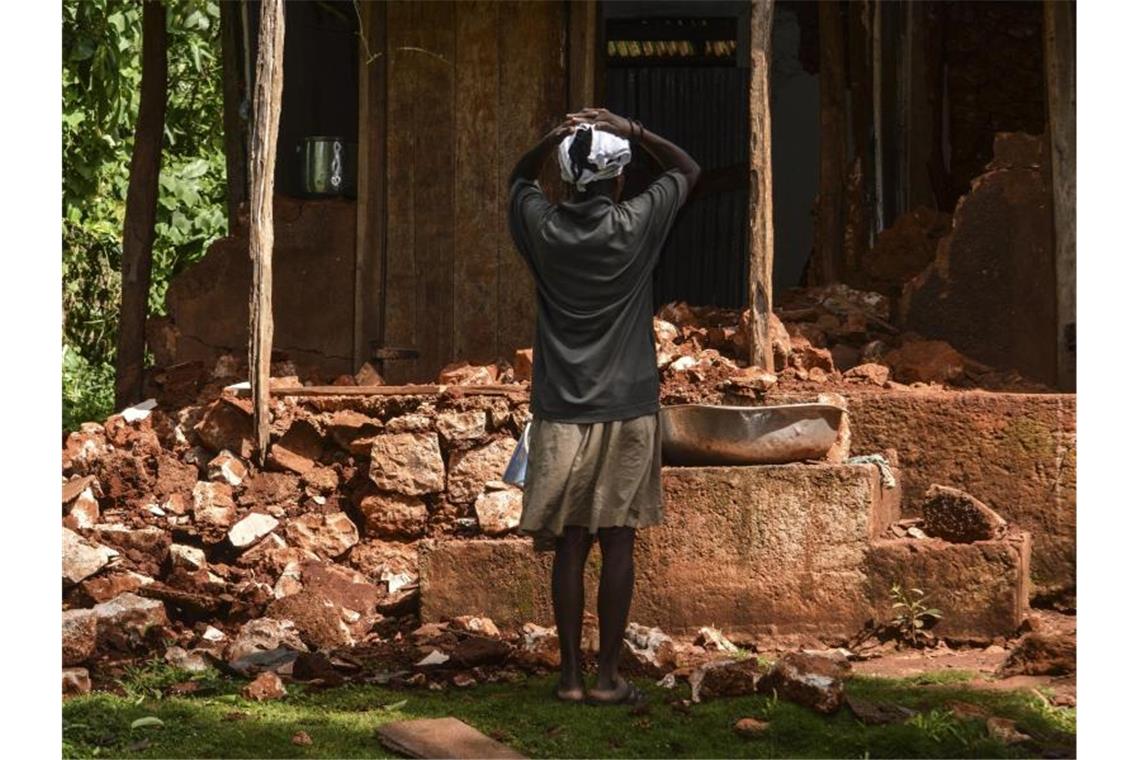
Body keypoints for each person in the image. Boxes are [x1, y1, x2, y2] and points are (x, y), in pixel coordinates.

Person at [506, 107, 700, 706]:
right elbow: (687, 168)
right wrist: (636, 129)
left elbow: (517, 181)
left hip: (562, 409)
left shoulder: (543, 226)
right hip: (627, 406)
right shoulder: (636, 223)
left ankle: (568, 679)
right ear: (619, 181)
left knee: (569, 543)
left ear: (563, 182)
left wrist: (554, 137)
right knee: (618, 541)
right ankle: (609, 677)